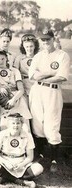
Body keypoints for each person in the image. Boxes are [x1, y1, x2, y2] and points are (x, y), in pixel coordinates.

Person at [28, 29, 70, 172]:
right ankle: (40, 157)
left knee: (52, 125)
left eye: (48, 39)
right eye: (43, 39)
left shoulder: (62, 55)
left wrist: (43, 76)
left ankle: (54, 159)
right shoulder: (38, 56)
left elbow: (62, 77)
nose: (45, 42)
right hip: (38, 90)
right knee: (37, 123)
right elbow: (32, 76)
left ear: (53, 39)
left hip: (52, 91)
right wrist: (50, 73)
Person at [0, 113, 44, 188]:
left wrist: (21, 165)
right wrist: (5, 163)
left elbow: (30, 157)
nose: (16, 126)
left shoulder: (27, 135)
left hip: (21, 163)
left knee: (39, 168)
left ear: (22, 124)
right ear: (8, 125)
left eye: (18, 123)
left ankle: (5, 177)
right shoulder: (1, 134)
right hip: (5, 163)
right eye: (13, 123)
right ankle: (21, 181)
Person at [0, 50, 32, 131]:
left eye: (3, 59)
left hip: (17, 98)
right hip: (3, 99)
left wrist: (13, 100)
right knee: (4, 126)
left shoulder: (14, 70)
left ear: (7, 58)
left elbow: (21, 89)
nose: (1, 61)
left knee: (25, 127)